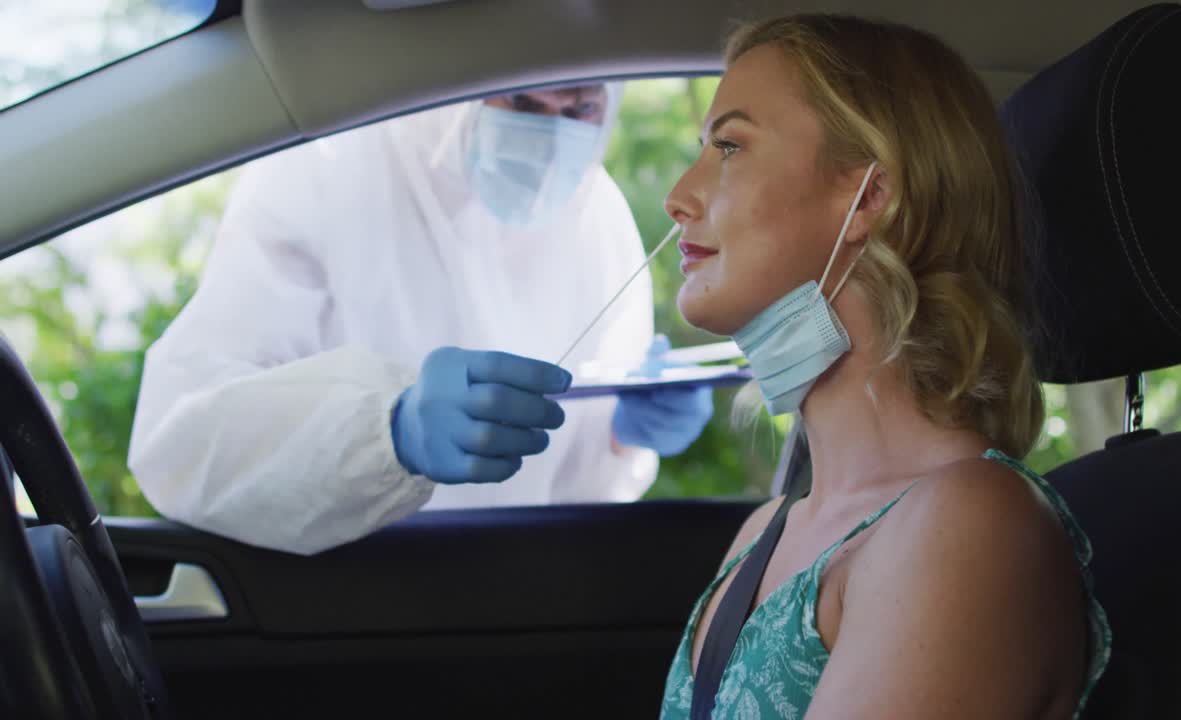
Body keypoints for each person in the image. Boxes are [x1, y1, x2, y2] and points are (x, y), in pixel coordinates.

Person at [658, 15, 1110, 719]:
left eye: (729, 146)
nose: (678, 197)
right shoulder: (767, 533)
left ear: (869, 196)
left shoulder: (970, 523)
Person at [127, 83, 713, 556]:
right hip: (352, 594)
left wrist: (620, 435)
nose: (555, 132)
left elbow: (578, 491)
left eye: (581, 108)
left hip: (527, 591)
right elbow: (184, 448)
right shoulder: (326, 171)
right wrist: (388, 432)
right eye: (523, 101)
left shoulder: (596, 217)